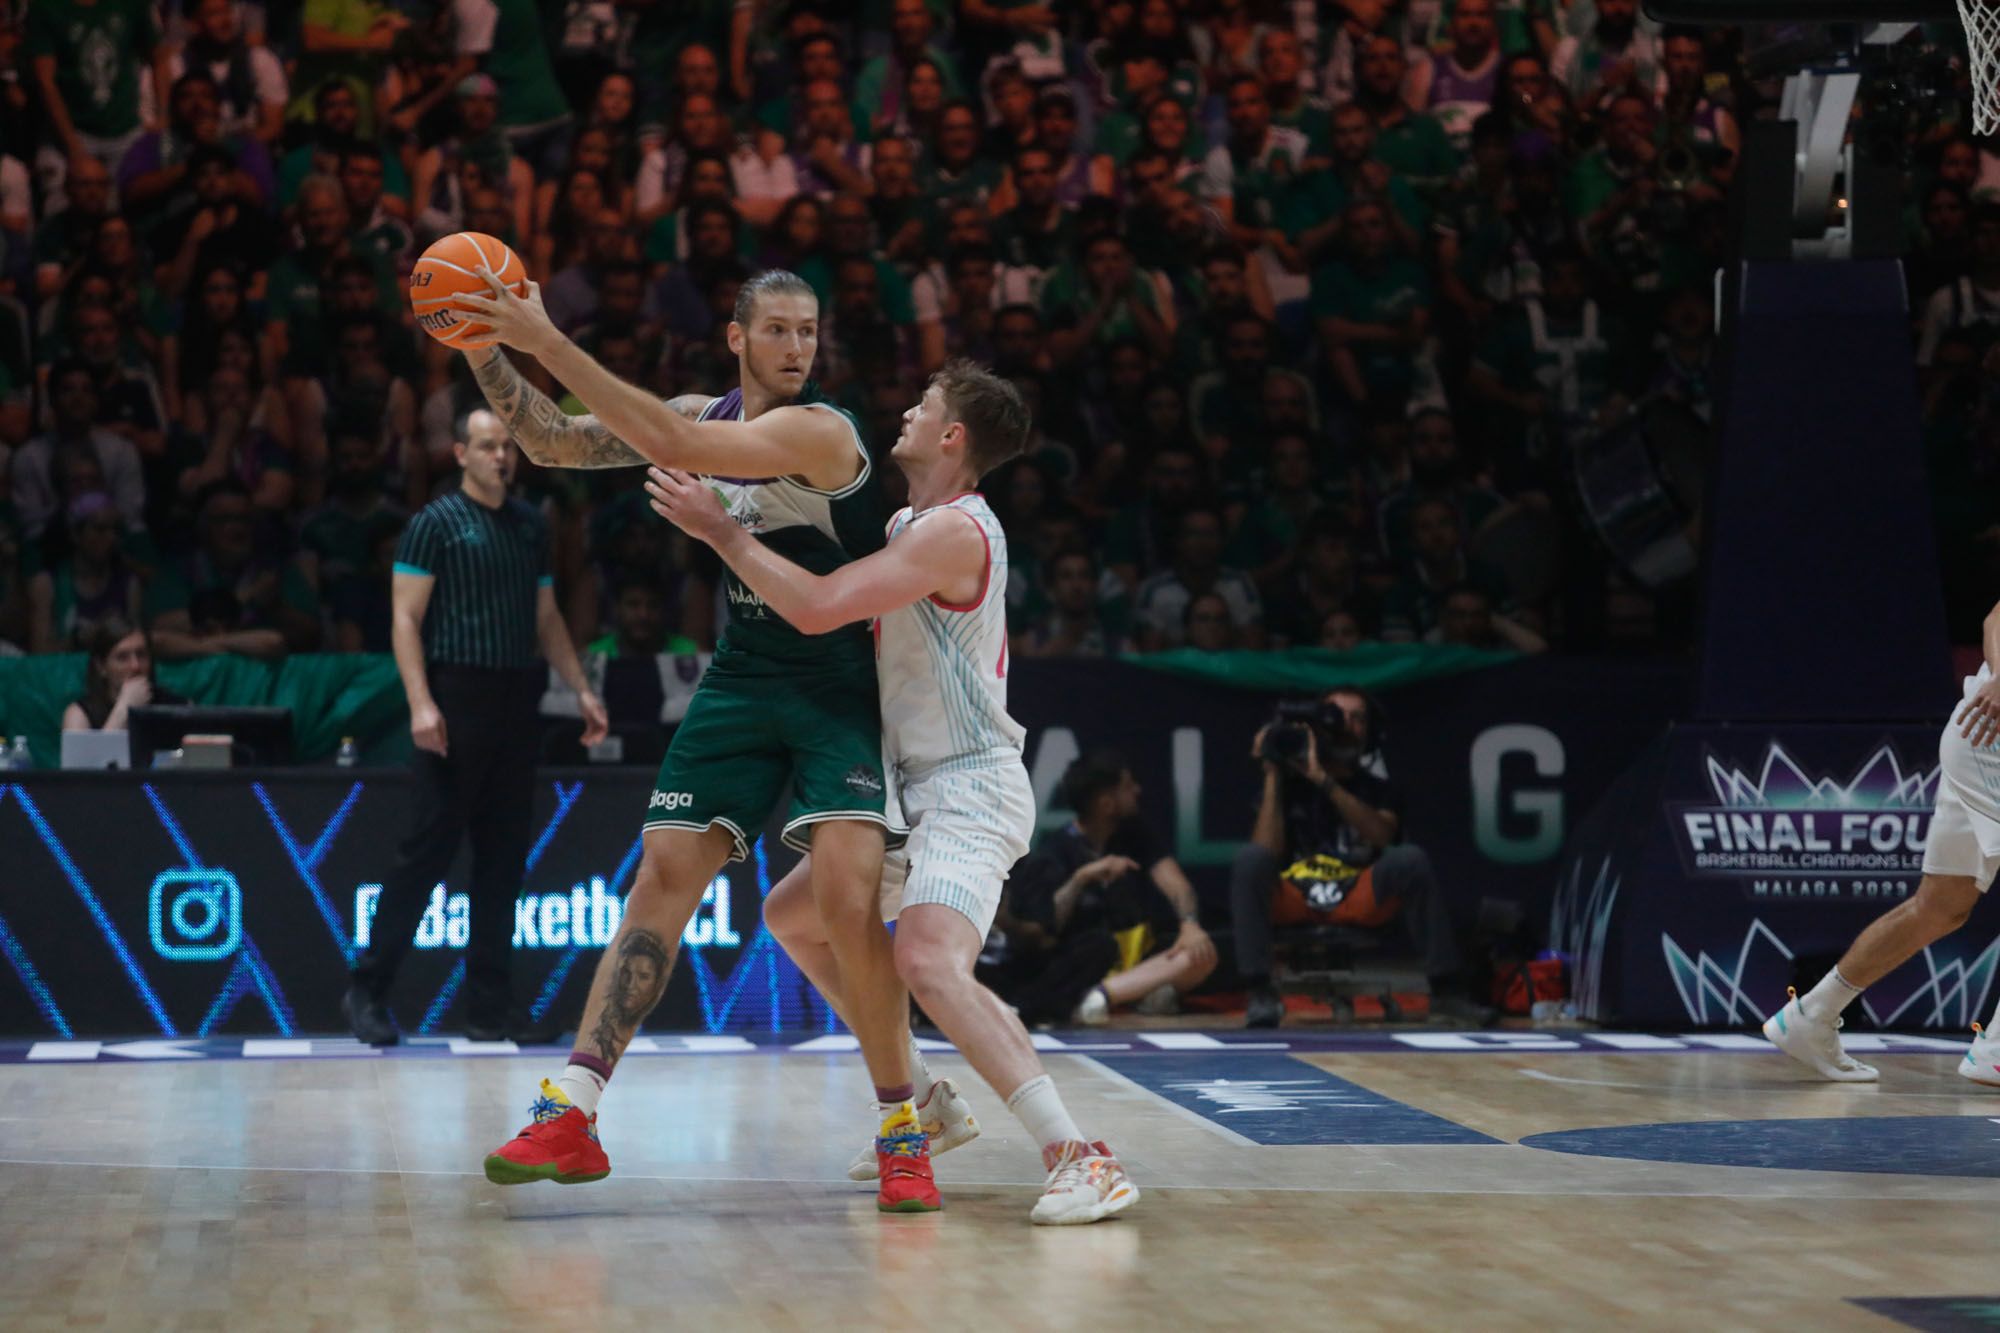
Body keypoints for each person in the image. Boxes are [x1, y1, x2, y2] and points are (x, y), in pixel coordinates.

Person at [452, 269, 924, 1213]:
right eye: (779, 330)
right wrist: (477, 341)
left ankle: (904, 1128)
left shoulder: (821, 430)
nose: (798, 348)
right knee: (663, 871)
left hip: (837, 680)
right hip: (745, 672)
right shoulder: (698, 412)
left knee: (843, 895)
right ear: (736, 337)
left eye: (810, 330)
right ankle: (574, 1110)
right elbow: (546, 441)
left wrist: (542, 334)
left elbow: (669, 443)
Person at [648, 361, 1140, 1226]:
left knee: (925, 960)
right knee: (794, 918)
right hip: (915, 787)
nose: (904, 411)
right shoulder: (910, 519)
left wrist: (723, 532)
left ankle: (1079, 1154)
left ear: (953, 437)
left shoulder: (953, 531)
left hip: (969, 783)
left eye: (924, 406)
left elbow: (822, 605)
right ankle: (928, 1100)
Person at [341, 410, 608, 1046]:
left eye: (508, 447)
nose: (501, 457)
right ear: (460, 452)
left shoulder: (527, 525)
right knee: (427, 853)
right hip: (455, 695)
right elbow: (405, 619)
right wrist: (420, 703)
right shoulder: (433, 525)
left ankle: (490, 1007)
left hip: (518, 697)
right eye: (488, 446)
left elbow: (546, 618)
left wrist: (580, 689)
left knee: (503, 861)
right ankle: (367, 990)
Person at [1764, 597, 2000, 1085]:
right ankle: (1996, 1050)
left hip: (1974, 741)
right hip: (1993, 734)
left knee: (1941, 907)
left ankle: (1812, 1015)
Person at [1228, 687, 1490, 1028]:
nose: (1346, 726)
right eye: (1337, 717)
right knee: (1250, 860)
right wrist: (1274, 774)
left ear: (1371, 731)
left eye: (1358, 718)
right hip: (1295, 894)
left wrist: (1324, 781)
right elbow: (1265, 851)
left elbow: (1382, 835)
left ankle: (1448, 993)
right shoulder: (1286, 786)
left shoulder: (1382, 789)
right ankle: (1261, 993)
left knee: (1410, 859)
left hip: (1358, 894)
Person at [1014, 752, 1219, 1025]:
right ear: (1106, 804)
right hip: (1085, 964)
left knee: (1200, 953)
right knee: (1096, 948)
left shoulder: (1136, 834)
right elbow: (1046, 933)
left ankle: (1101, 998)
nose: (1137, 790)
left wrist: (1190, 924)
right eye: (1127, 786)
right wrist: (1081, 879)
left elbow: (1176, 884)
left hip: (1135, 962)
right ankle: (1137, 993)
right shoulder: (1054, 852)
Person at [62, 618, 183, 732]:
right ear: (101, 667)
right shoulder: (79, 714)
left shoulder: (176, 709)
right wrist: (124, 708)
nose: (135, 666)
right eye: (122, 657)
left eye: (141, 654)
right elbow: (88, 755)